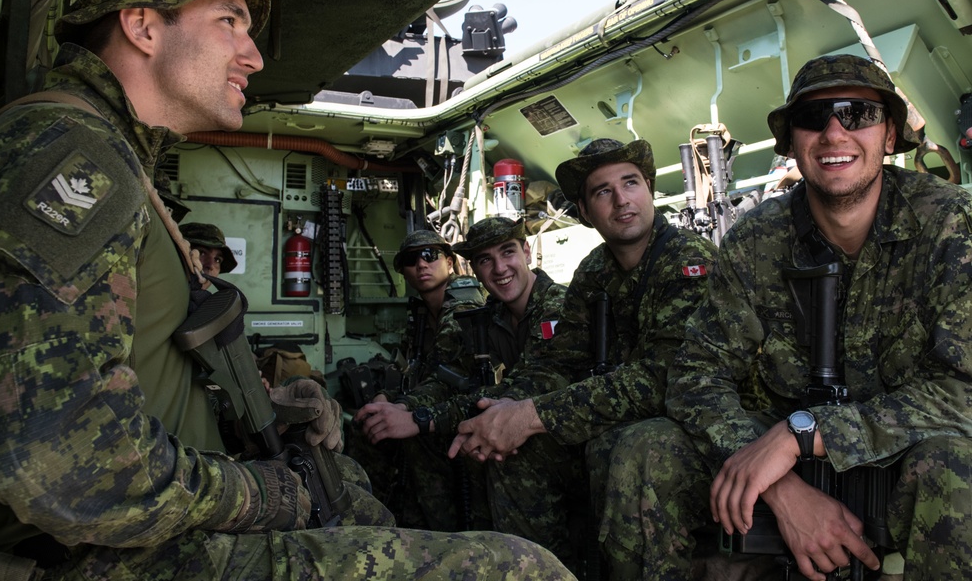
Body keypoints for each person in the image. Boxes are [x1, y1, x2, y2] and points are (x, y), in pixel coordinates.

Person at [0, 0, 574, 581]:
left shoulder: (116, 157)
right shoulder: (71, 152)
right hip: (99, 553)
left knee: (358, 499)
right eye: (228, 21)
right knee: (522, 569)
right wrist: (264, 491)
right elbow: (57, 461)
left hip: (139, 520)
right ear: (142, 26)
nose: (254, 56)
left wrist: (270, 398)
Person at [627, 53, 972, 581]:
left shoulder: (951, 225)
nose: (834, 133)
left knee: (956, 469)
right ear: (791, 142)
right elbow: (696, 376)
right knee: (645, 447)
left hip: (903, 458)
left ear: (889, 135)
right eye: (813, 119)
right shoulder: (755, 242)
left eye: (856, 114)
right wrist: (781, 488)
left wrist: (804, 434)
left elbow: (962, 390)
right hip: (777, 464)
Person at [448, 138, 716, 578]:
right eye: (602, 191)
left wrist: (533, 414)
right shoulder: (594, 270)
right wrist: (498, 414)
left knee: (630, 446)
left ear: (649, 190)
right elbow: (559, 361)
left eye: (630, 183)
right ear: (587, 213)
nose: (621, 200)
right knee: (514, 452)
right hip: (620, 421)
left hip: (692, 427)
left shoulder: (689, 262)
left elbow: (663, 379)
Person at [357, 217, 581, 569]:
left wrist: (422, 418)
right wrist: (402, 407)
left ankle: (540, 569)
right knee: (436, 444)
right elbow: (449, 377)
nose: (499, 268)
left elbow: (525, 388)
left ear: (525, 252)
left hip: (562, 435)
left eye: (507, 252)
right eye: (485, 260)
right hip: (507, 425)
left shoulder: (560, 306)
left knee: (497, 453)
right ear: (474, 268)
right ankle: (454, 559)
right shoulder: (486, 317)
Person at [345, 228, 479, 529]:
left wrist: (403, 407)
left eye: (430, 255)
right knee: (365, 424)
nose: (422, 264)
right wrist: (386, 398)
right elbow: (414, 372)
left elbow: (450, 379)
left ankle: (436, 532)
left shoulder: (463, 306)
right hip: (430, 406)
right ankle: (370, 520)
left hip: (462, 409)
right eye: (411, 259)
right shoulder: (420, 314)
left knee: (414, 441)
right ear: (403, 272)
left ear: (449, 262)